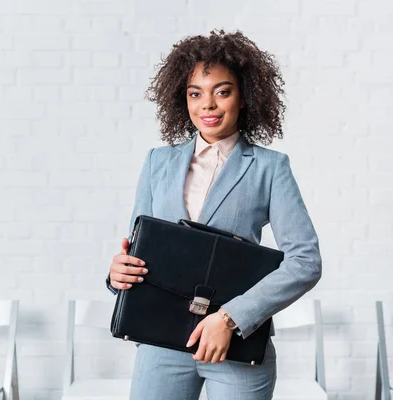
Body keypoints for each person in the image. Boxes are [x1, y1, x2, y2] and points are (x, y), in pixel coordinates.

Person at [106, 29, 322, 400]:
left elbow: (305, 261)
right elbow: (140, 249)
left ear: (245, 97)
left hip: (235, 348)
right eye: (195, 93)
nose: (207, 105)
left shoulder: (270, 168)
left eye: (222, 91)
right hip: (161, 345)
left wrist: (230, 318)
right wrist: (117, 274)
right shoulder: (158, 162)